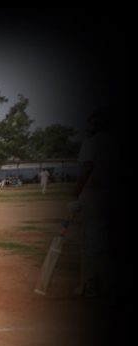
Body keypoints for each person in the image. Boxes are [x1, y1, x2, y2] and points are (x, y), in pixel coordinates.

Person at [71, 107, 113, 298]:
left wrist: (74, 195)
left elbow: (87, 169)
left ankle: (91, 285)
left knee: (91, 243)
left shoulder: (92, 142)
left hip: (95, 196)